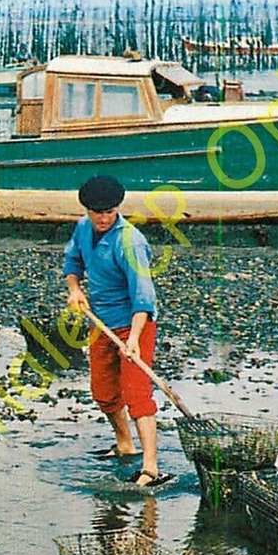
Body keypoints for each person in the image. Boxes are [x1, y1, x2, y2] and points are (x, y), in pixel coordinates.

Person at [63, 175, 171, 488]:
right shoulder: (83, 229)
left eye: (109, 212)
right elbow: (72, 262)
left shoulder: (130, 241)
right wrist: (75, 290)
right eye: (97, 212)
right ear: (87, 211)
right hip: (100, 321)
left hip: (135, 322)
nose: (103, 218)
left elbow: (144, 298)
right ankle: (125, 444)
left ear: (117, 209)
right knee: (104, 391)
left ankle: (150, 466)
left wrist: (134, 340)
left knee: (137, 393)